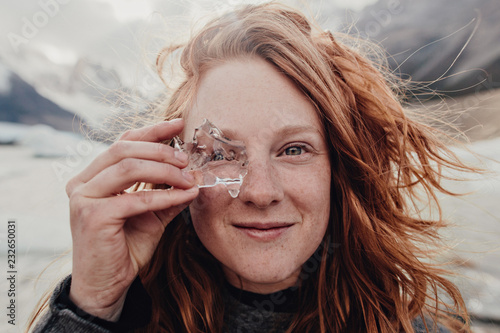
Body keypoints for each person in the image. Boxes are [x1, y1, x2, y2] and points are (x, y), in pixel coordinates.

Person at [30, 2, 476, 332]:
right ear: (175, 163)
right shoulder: (115, 319)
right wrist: (92, 305)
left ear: (339, 169)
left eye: (294, 150)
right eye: (221, 153)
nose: (261, 193)